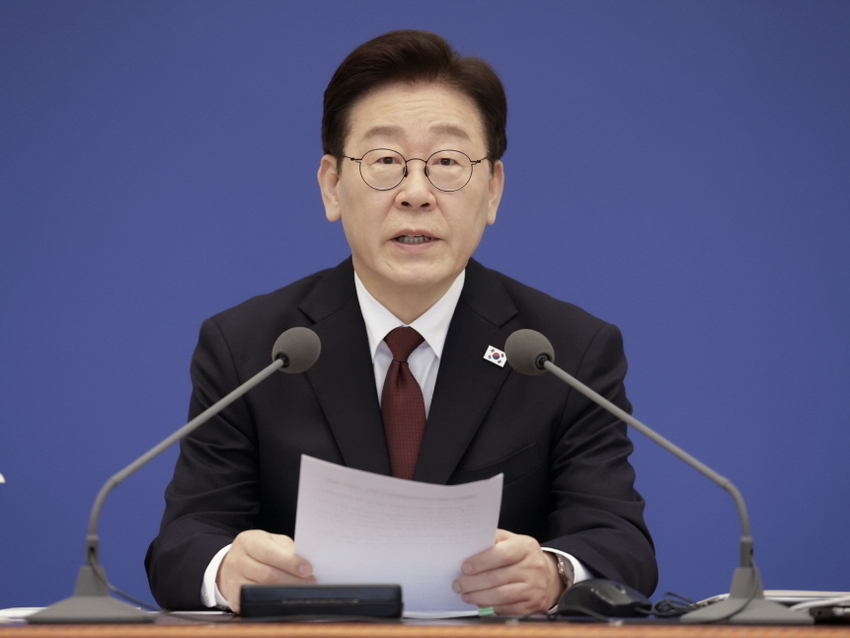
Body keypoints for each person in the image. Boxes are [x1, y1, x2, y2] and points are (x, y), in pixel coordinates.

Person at [146, 29, 657, 615]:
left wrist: (555, 574)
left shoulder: (563, 352)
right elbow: (184, 542)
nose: (416, 193)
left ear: (493, 191)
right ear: (332, 187)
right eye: (386, 161)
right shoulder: (251, 349)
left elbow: (620, 543)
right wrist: (227, 569)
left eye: (448, 163)